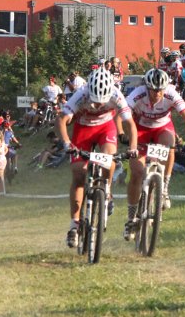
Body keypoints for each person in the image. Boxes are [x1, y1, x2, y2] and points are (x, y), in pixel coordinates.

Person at [56, 68, 137, 248]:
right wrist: (67, 143)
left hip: (105, 128)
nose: (99, 104)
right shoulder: (81, 93)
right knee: (79, 174)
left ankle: (107, 192)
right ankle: (74, 225)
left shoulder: (116, 94)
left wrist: (132, 147)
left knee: (110, 159)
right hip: (83, 129)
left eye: (102, 101)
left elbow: (130, 123)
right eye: (95, 100)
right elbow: (61, 119)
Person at [124, 68, 185, 239]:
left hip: (162, 128)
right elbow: (123, 115)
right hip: (140, 130)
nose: (157, 93)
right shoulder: (137, 94)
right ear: (147, 87)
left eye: (160, 90)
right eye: (153, 90)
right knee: (136, 173)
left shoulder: (171, 94)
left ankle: (164, 187)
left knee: (170, 145)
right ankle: (131, 219)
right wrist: (123, 134)